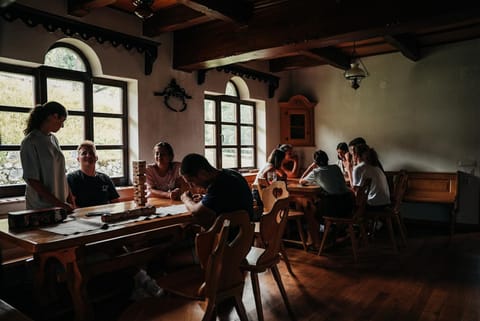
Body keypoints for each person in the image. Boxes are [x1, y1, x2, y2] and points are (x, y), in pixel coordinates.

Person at [20, 101, 73, 212]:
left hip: (60, 203)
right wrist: (59, 203)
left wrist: (69, 199)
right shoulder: (30, 142)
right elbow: (32, 180)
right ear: (53, 117)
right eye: (62, 121)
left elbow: (62, 173)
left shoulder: (53, 139)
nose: (62, 126)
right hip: (41, 206)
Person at [180, 153, 254, 229]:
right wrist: (205, 199)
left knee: (185, 227)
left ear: (202, 173)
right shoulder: (230, 173)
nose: (191, 186)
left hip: (229, 237)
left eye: (191, 181)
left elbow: (196, 211)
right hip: (246, 233)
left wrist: (186, 199)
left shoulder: (217, 186)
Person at [299, 150, 354, 246]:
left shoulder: (316, 172)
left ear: (315, 162)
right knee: (317, 203)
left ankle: (317, 237)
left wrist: (310, 167)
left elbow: (301, 181)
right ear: (327, 159)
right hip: (348, 204)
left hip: (333, 208)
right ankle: (329, 230)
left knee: (311, 209)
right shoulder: (336, 168)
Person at [67, 140, 119, 208]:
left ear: (96, 158)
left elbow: (115, 202)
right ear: (78, 159)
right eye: (84, 153)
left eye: (91, 153)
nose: (88, 156)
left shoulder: (105, 178)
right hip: (83, 217)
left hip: (104, 215)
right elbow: (72, 205)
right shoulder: (72, 178)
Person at [348, 143, 390, 208]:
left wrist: (349, 170)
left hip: (373, 203)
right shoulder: (375, 166)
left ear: (355, 155)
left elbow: (356, 191)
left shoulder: (359, 168)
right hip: (385, 201)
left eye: (352, 154)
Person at [251, 148, 287, 218]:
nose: (284, 161)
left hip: (256, 193)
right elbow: (264, 175)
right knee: (282, 200)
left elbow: (283, 176)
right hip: (259, 195)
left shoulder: (268, 164)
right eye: (283, 159)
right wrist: (269, 187)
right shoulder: (271, 167)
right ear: (280, 160)